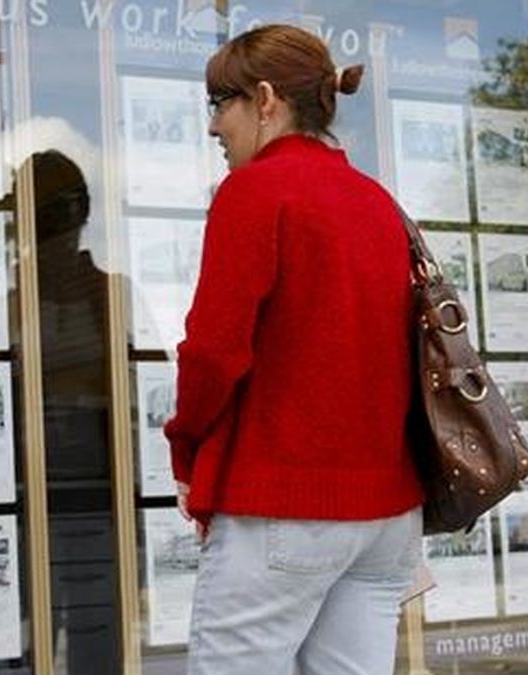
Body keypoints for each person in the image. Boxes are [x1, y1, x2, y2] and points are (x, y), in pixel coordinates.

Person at [164, 25, 424, 675]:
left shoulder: (255, 191)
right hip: (386, 517)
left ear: (267, 98)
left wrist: (186, 449)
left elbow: (214, 352)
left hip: (284, 503)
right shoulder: (378, 203)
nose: (214, 128)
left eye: (221, 104)